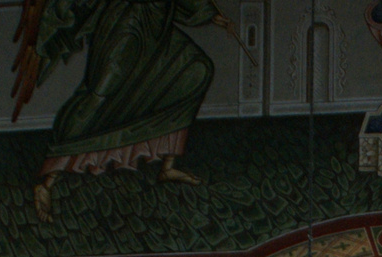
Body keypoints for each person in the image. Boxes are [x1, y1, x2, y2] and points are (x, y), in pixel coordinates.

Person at [13, 0, 238, 222]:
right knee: (99, 96)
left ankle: (167, 166)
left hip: (157, 26)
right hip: (125, 24)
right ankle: (47, 182)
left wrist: (210, 14)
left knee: (196, 69)